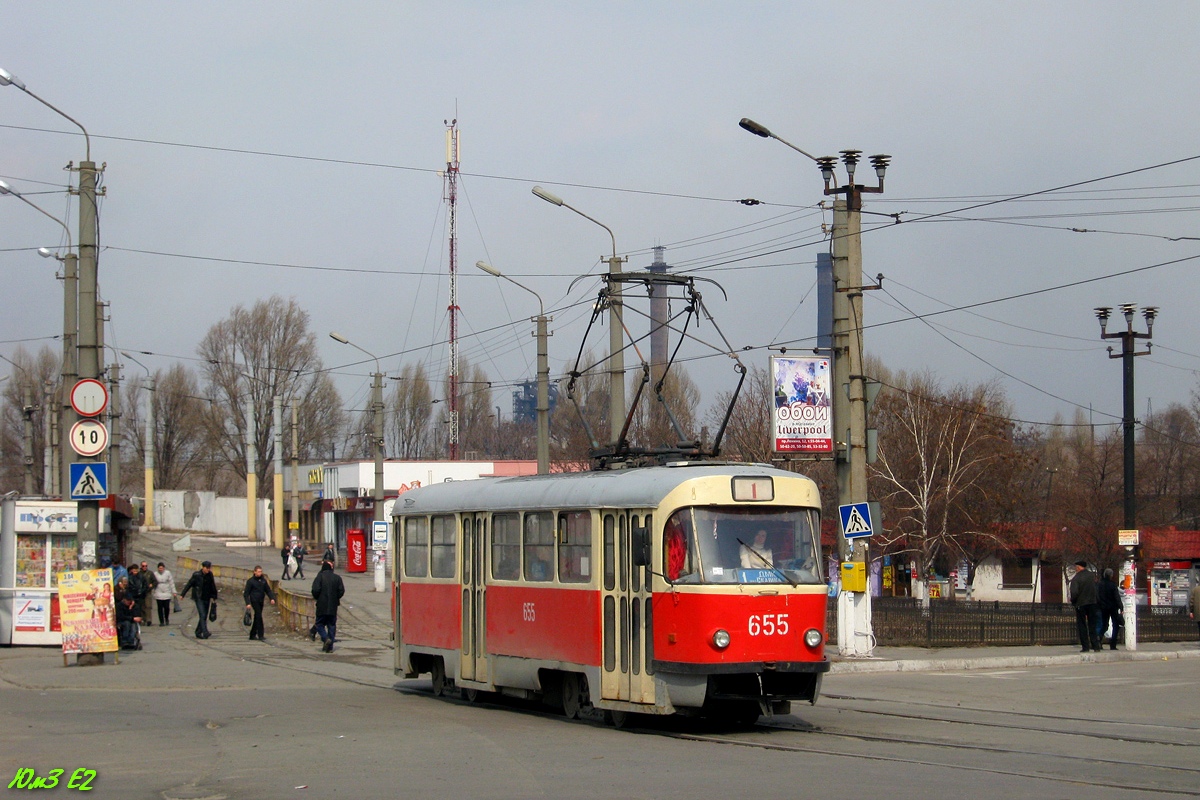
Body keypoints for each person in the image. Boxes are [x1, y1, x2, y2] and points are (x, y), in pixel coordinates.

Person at [311, 559, 345, 653]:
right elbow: (341, 591)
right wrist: (335, 598)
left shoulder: (320, 577)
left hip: (321, 605)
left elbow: (315, 590)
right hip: (333, 606)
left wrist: (318, 598)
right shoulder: (337, 578)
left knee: (319, 624)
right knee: (331, 625)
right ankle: (329, 647)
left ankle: (325, 639)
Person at [180, 561, 219, 640]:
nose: (208, 570)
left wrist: (214, 596)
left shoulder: (210, 575)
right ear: (203, 567)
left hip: (207, 597)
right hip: (199, 597)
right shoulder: (197, 575)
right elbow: (189, 584)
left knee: (204, 616)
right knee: (202, 614)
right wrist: (182, 594)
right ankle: (205, 632)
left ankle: (198, 632)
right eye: (207, 568)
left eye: (209, 568)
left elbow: (212, 585)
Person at [1069, 560, 1101, 652]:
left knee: (1082, 625)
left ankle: (1085, 647)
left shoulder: (1076, 578)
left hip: (1081, 604)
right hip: (1092, 603)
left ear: (1079, 567)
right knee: (1092, 625)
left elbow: (1074, 592)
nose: (1075, 569)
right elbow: (1097, 588)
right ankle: (1096, 646)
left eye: (1076, 567)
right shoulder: (1092, 576)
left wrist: (1074, 601)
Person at [242, 565, 277, 642]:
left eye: (261, 571)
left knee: (257, 617)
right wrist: (248, 603)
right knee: (259, 616)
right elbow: (246, 594)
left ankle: (252, 634)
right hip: (254, 601)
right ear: (254, 572)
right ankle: (261, 634)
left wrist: (272, 598)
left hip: (261, 600)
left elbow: (268, 590)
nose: (260, 573)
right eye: (258, 571)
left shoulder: (263, 580)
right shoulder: (250, 581)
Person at [1096, 568, 1123, 650]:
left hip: (1103, 607)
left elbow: (1097, 596)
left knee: (1104, 625)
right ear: (1111, 576)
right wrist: (1121, 607)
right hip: (1113, 607)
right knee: (1115, 625)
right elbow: (1116, 597)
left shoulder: (1099, 584)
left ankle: (1099, 640)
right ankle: (1113, 644)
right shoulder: (1113, 585)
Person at [152, 562, 177, 626]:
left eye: (162, 568)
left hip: (167, 592)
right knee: (160, 608)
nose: (160, 569)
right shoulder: (155, 574)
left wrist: (174, 591)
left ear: (164, 568)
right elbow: (153, 583)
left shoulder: (168, 573)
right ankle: (161, 621)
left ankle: (166, 618)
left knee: (166, 607)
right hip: (158, 592)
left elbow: (171, 583)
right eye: (159, 568)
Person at [139, 561, 158, 626]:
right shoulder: (139, 573)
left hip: (148, 592)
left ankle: (149, 620)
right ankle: (143, 619)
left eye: (146, 566)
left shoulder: (150, 573)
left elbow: (155, 582)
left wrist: (152, 585)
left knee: (148, 606)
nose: (145, 567)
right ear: (141, 566)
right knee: (142, 606)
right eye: (143, 566)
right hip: (141, 592)